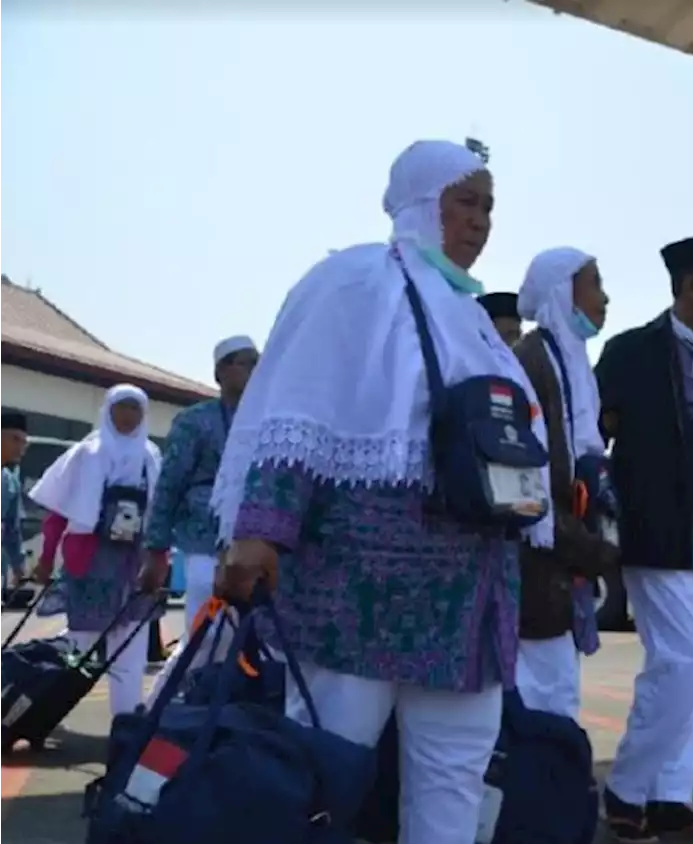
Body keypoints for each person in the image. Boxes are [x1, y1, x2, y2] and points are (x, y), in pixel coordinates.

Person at [210, 139, 553, 844]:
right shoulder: (356, 282)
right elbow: (299, 411)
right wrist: (259, 530)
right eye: (466, 202)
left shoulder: (475, 321)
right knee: (325, 771)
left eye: (489, 207)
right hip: (358, 594)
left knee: (455, 775)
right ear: (421, 202)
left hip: (465, 602)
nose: (481, 222)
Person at [595, 235, 693, 843]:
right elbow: (594, 432)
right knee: (679, 661)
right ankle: (628, 789)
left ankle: (670, 798)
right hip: (656, 528)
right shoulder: (633, 352)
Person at [510, 246, 618, 718]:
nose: (605, 297)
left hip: (566, 551)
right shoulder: (532, 361)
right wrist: (581, 541)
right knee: (541, 689)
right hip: (539, 551)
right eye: (593, 283)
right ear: (561, 291)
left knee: (558, 684)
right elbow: (527, 476)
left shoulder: (573, 363)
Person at [29, 385, 162, 717]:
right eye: (123, 407)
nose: (129, 415)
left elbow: (161, 515)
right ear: (108, 410)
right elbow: (58, 512)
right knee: (78, 648)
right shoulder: (86, 454)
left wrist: (160, 559)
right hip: (90, 562)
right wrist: (46, 559)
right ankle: (32, 712)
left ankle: (126, 721)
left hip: (133, 564)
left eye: (136, 409)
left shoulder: (150, 457)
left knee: (131, 648)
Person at [144, 334, 259, 703]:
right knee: (204, 634)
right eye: (247, 362)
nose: (256, 371)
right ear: (222, 370)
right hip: (203, 542)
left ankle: (212, 720)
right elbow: (169, 486)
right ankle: (160, 713)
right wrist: (155, 549)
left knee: (247, 639)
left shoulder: (269, 420)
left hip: (253, 546)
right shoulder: (195, 421)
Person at [0, 411, 29, 605]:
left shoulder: (9, 482)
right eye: (15, 439)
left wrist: (19, 568)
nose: (21, 447)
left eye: (24, 442)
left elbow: (12, 529)